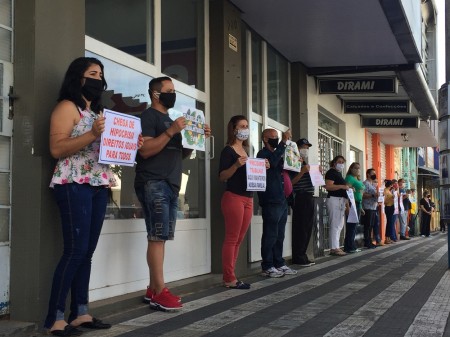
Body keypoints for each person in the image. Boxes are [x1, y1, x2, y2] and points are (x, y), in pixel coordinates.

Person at [45, 57, 135, 335]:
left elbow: (107, 149)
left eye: (101, 73)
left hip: (98, 184)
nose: (99, 78)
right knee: (74, 251)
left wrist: (131, 143)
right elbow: (57, 149)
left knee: (87, 253)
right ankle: (54, 318)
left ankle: (80, 312)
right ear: (78, 78)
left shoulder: (99, 112)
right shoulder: (66, 107)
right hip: (74, 182)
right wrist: (92, 135)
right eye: (92, 73)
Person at [135, 76, 211, 310]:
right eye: (169, 90)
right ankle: (160, 291)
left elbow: (178, 154)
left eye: (174, 90)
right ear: (155, 94)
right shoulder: (148, 117)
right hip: (153, 181)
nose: (173, 94)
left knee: (161, 237)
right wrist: (171, 131)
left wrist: (195, 139)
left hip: (171, 183)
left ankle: (152, 288)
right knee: (157, 237)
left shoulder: (169, 120)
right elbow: (146, 150)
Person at [219, 115, 269, 289]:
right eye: (242, 126)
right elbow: (222, 176)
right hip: (233, 197)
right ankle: (229, 277)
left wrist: (263, 166)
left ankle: (231, 275)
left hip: (248, 198)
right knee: (232, 238)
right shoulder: (228, 151)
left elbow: (251, 174)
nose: (246, 129)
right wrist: (235, 166)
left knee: (239, 239)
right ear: (234, 129)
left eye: (247, 125)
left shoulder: (248, 150)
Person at [257, 128, 297, 277]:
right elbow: (272, 163)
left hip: (282, 199)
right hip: (271, 199)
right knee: (270, 234)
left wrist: (295, 162)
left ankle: (278, 262)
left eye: (277, 137)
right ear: (265, 139)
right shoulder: (263, 154)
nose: (276, 139)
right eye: (273, 137)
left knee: (280, 234)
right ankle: (267, 265)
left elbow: (288, 173)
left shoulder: (278, 154)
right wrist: (283, 143)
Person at [290, 138, 316, 267]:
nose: (306, 149)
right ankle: (298, 256)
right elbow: (291, 182)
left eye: (307, 147)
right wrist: (303, 171)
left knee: (307, 227)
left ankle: (303, 254)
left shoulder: (304, 162)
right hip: (300, 196)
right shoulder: (293, 161)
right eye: (304, 147)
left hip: (309, 196)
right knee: (301, 227)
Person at [325, 155, 350, 256]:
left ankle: (336, 246)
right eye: (339, 162)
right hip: (334, 200)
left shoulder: (338, 173)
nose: (341, 164)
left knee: (339, 225)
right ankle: (334, 248)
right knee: (335, 224)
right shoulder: (331, 172)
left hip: (340, 201)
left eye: (343, 162)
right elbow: (328, 186)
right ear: (334, 162)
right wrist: (342, 186)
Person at [344, 162, 365, 253]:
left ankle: (352, 245)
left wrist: (360, 207)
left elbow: (359, 193)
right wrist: (347, 206)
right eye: (355, 168)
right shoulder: (350, 178)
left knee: (354, 226)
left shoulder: (357, 179)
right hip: (352, 204)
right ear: (351, 169)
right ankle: (349, 247)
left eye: (359, 168)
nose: (357, 170)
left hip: (357, 204)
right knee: (351, 226)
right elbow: (347, 192)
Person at [362, 168, 378, 249]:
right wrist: (373, 195)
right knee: (367, 225)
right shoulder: (365, 183)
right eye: (372, 173)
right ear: (368, 174)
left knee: (371, 225)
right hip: (367, 207)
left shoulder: (373, 184)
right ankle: (367, 242)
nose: (374, 175)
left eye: (374, 173)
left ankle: (370, 241)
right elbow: (363, 194)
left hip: (373, 207)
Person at [384, 180, 396, 244]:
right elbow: (384, 201)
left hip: (391, 206)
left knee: (390, 223)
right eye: (392, 185)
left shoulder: (389, 191)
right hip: (388, 207)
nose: (393, 186)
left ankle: (388, 237)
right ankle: (386, 238)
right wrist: (391, 198)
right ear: (390, 185)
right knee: (389, 222)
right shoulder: (385, 190)